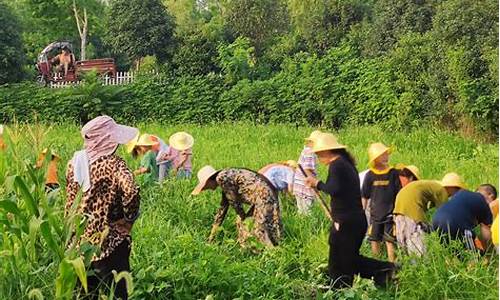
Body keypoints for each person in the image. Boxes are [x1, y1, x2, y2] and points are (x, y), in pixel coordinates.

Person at [304, 132, 396, 289]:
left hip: (347, 222)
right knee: (343, 259)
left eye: (319, 153)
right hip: (351, 220)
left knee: (343, 260)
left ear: (327, 151)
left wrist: (316, 183)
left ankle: (384, 270)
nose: (318, 157)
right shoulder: (345, 163)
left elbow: (335, 189)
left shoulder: (337, 165)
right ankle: (380, 273)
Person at [65, 116, 140, 299]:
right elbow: (131, 190)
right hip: (109, 242)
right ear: (107, 140)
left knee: (83, 294)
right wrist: (128, 220)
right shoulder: (114, 165)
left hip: (78, 244)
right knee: (116, 293)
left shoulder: (73, 163)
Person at [191, 166, 282, 247]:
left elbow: (235, 203)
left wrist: (243, 219)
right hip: (264, 194)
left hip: (263, 196)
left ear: (209, 180)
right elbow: (223, 209)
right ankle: (250, 250)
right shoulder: (226, 179)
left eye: (206, 186)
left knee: (262, 231)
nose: (208, 188)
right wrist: (212, 235)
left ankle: (272, 254)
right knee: (252, 227)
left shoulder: (221, 178)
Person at [362, 143, 401, 262]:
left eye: (386, 154)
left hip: (390, 214)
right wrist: (361, 211)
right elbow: (365, 195)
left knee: (389, 241)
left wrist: (398, 212)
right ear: (376, 158)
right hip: (375, 215)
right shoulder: (370, 175)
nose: (386, 156)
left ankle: (392, 265)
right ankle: (376, 264)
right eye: (383, 155)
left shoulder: (393, 173)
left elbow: (399, 193)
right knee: (375, 240)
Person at [393, 180, 450, 256]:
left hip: (399, 208)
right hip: (411, 208)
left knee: (406, 246)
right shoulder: (442, 190)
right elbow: (443, 214)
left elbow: (429, 209)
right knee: (418, 249)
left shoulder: (429, 186)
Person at [432, 188, 493, 253]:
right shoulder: (483, 202)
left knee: (454, 254)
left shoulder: (461, 193)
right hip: (455, 222)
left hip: (436, 219)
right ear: (490, 196)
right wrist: (490, 253)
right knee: (472, 257)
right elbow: (486, 233)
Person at [293, 130, 321, 214]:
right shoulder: (310, 152)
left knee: (301, 211)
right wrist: (314, 183)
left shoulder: (306, 150)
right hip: (305, 186)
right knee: (308, 212)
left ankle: (300, 225)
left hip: (299, 185)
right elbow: (306, 169)